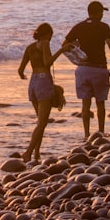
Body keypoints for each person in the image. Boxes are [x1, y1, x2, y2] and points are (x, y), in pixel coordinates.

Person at [63, 0, 110, 139]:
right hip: (99, 69)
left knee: (85, 104)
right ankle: (100, 133)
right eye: (101, 12)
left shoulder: (79, 27)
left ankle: (86, 135)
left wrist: (78, 46)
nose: (102, 15)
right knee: (100, 103)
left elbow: (65, 45)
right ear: (98, 13)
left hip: (83, 69)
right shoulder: (104, 27)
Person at [17, 22, 71, 162]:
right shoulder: (45, 43)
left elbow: (20, 70)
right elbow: (48, 63)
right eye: (50, 35)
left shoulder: (29, 47)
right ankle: (28, 153)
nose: (50, 39)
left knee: (40, 123)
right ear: (47, 34)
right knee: (42, 123)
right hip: (43, 81)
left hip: (33, 83)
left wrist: (24, 74)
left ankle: (37, 154)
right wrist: (62, 50)